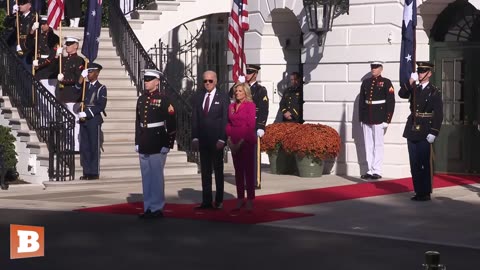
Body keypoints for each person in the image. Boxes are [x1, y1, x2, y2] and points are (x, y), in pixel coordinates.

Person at [399, 61, 443, 201]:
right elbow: (401, 93)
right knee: (414, 162)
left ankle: (426, 192)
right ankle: (418, 191)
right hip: (412, 128)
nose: (420, 74)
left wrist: (434, 132)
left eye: (422, 72)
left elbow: (439, 113)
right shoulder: (414, 88)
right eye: (418, 71)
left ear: (429, 74)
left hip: (426, 128)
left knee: (425, 163)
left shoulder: (434, 91)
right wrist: (410, 80)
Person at [135, 69, 176, 219]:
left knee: (157, 176)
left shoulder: (164, 99)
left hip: (158, 140)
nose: (146, 82)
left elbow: (171, 122)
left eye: (149, 80)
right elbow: (138, 123)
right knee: (146, 176)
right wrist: (137, 141)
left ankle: (157, 207)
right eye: (145, 80)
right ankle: (148, 207)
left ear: (157, 82)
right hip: (145, 139)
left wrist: (168, 143)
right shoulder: (141, 99)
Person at [191, 70, 229, 210]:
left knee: (218, 171)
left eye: (210, 81)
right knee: (205, 171)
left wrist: (222, 138)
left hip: (217, 140)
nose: (207, 83)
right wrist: (194, 137)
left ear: (216, 81)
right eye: (205, 81)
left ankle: (218, 200)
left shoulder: (223, 97)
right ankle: (206, 201)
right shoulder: (199, 96)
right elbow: (195, 118)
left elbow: (225, 119)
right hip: (203, 140)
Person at [359, 61, 395, 180]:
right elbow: (361, 102)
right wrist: (361, 118)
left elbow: (390, 101)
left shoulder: (386, 82)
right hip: (367, 116)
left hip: (379, 116)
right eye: (372, 68)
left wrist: (387, 119)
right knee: (368, 144)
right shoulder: (366, 82)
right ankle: (369, 169)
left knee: (378, 144)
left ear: (381, 69)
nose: (373, 70)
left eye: (375, 68)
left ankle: (377, 170)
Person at [226, 82, 257, 211]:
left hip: (246, 142)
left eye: (240, 91)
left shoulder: (250, 105)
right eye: (236, 91)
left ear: (245, 92)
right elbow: (228, 123)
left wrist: (240, 142)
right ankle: (240, 198)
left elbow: (251, 125)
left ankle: (250, 199)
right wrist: (229, 140)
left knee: (248, 172)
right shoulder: (231, 106)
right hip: (233, 141)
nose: (237, 93)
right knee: (238, 172)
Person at [75, 63, 107, 180]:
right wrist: (81, 78)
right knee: (85, 147)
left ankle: (94, 172)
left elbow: (101, 106)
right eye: (88, 72)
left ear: (97, 73)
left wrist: (87, 113)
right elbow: (76, 91)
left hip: (93, 119)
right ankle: (87, 171)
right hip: (83, 119)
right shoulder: (85, 86)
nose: (89, 74)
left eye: (91, 72)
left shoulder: (101, 88)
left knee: (93, 146)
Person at [54, 36, 85, 152]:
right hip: (63, 95)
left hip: (73, 95)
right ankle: (68, 144)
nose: (67, 46)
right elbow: (53, 68)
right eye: (66, 44)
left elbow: (78, 78)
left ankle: (76, 146)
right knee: (66, 123)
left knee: (74, 122)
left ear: (76, 46)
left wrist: (64, 80)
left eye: (70, 44)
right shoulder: (63, 59)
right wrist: (57, 56)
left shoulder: (79, 60)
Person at [31, 15, 60, 96]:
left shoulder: (55, 38)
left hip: (49, 69)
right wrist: (32, 31)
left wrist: (39, 64)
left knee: (49, 94)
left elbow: (52, 56)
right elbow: (29, 43)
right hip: (39, 68)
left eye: (45, 24)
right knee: (39, 94)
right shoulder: (38, 37)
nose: (42, 26)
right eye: (41, 24)